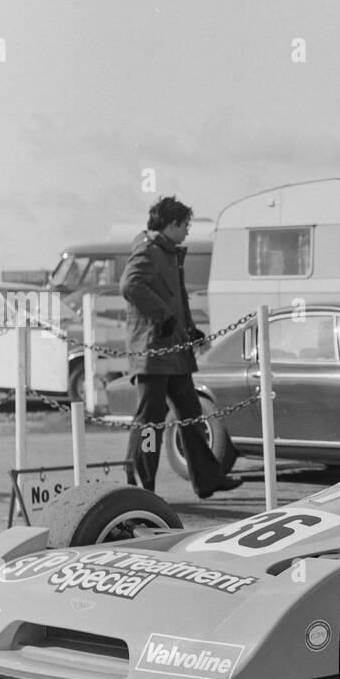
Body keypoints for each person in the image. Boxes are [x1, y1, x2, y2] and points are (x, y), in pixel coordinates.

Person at [121, 196, 242, 499]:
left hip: (173, 353)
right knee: (150, 423)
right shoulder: (150, 251)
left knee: (190, 415)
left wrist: (188, 328)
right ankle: (140, 484)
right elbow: (131, 285)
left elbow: (172, 298)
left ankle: (208, 479)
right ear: (172, 224)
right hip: (153, 354)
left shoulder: (167, 252)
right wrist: (166, 317)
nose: (188, 230)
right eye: (185, 224)